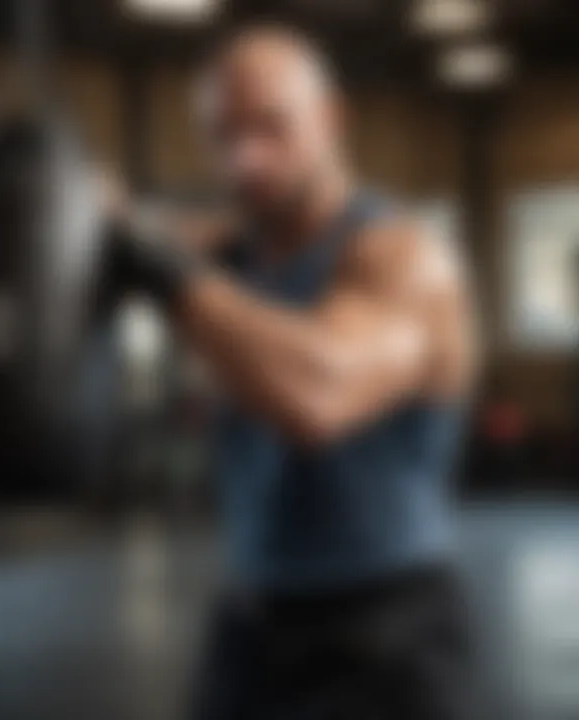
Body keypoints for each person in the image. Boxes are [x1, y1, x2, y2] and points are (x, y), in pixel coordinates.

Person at [101, 24, 479, 720]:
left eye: (272, 127)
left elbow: (318, 394)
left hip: (387, 635)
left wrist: (153, 265)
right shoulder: (235, 254)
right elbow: (130, 227)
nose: (246, 157)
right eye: (223, 135)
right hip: (253, 622)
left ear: (333, 119)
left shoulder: (403, 259)